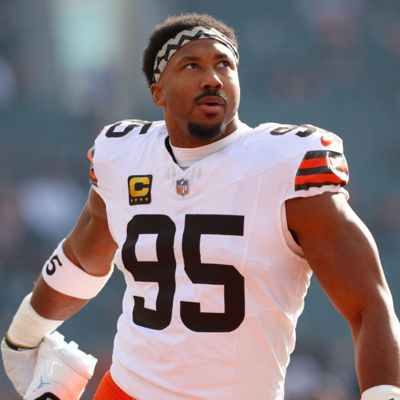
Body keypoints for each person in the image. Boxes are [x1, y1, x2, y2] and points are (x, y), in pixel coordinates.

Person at [2, 12, 400, 400]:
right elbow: (82, 259)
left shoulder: (286, 163)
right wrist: (22, 336)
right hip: (126, 390)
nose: (212, 78)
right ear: (157, 91)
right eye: (191, 65)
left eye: (224, 64)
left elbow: (368, 303)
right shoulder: (124, 155)